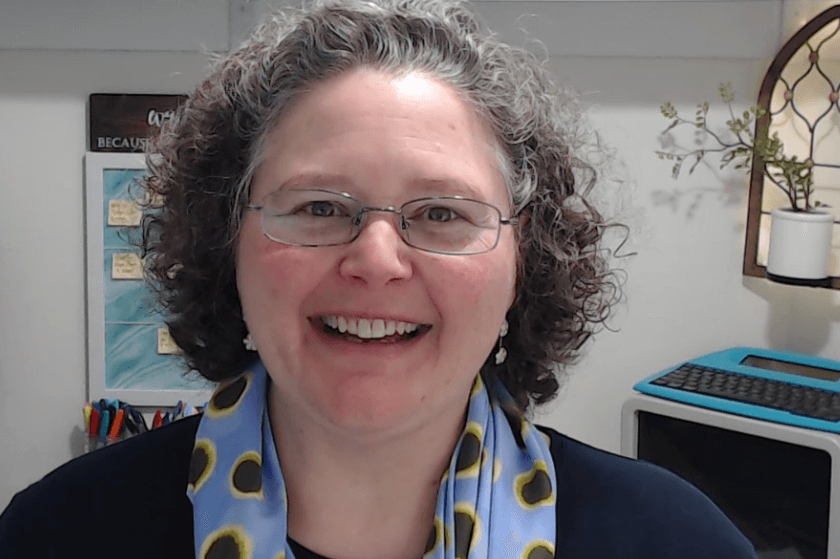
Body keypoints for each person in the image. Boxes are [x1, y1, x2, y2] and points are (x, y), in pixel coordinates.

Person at [0, 1, 758, 558]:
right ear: (225, 241)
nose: (377, 258)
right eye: (320, 205)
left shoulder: (678, 542)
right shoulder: (57, 534)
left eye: (440, 213)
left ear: (523, 259)